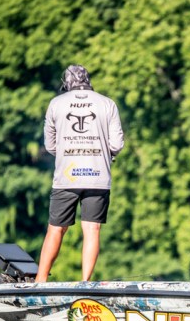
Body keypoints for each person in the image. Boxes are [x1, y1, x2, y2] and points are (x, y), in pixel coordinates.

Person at [36, 64, 125, 282]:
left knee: (56, 229)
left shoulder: (56, 103)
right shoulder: (107, 103)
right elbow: (117, 143)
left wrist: (67, 153)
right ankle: (85, 282)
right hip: (98, 175)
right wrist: (104, 153)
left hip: (66, 176)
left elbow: (50, 144)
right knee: (92, 229)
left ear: (66, 83)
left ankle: (40, 280)